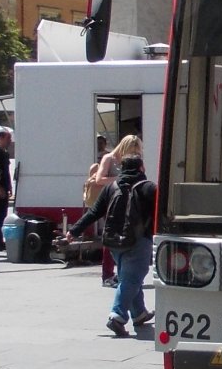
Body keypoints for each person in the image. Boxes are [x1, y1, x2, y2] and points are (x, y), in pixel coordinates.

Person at [65, 154, 156, 338]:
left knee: (128, 277)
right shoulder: (149, 188)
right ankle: (117, 317)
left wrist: (73, 231)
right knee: (132, 278)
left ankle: (139, 314)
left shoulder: (111, 188)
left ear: (122, 169)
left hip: (113, 242)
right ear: (141, 168)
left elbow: (94, 212)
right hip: (138, 241)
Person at [93, 135, 143, 286]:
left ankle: (122, 273)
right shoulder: (109, 158)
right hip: (112, 200)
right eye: (132, 149)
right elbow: (99, 179)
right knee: (111, 237)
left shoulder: (135, 160)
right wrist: (121, 179)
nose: (134, 153)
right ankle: (107, 275)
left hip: (129, 202)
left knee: (128, 236)